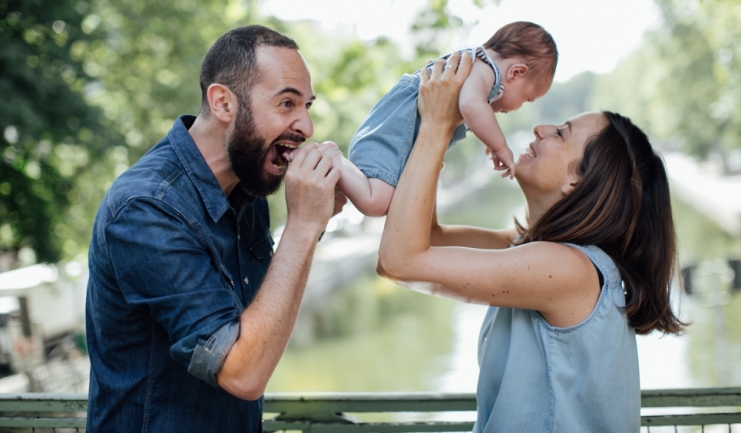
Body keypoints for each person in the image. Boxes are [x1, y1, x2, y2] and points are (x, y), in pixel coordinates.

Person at [376, 52, 686, 432]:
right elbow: (426, 238)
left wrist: (436, 127)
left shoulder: (567, 269)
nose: (541, 128)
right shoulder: (530, 249)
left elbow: (399, 261)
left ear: (577, 182)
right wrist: (444, 123)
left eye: (561, 133)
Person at [86, 25, 344, 431]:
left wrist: (315, 223)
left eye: (307, 106)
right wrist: (302, 226)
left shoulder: (248, 193)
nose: (307, 127)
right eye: (287, 103)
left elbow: (262, 322)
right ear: (223, 103)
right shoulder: (146, 208)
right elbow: (243, 372)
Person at [322, 21, 558, 217]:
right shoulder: (486, 69)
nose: (518, 107)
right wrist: (500, 145)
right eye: (527, 99)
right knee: (377, 203)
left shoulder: (477, 66)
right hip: (390, 138)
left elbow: (472, 109)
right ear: (516, 73)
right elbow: (471, 104)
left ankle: (338, 175)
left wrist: (488, 141)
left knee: (395, 202)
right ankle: (333, 156)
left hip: (393, 137)